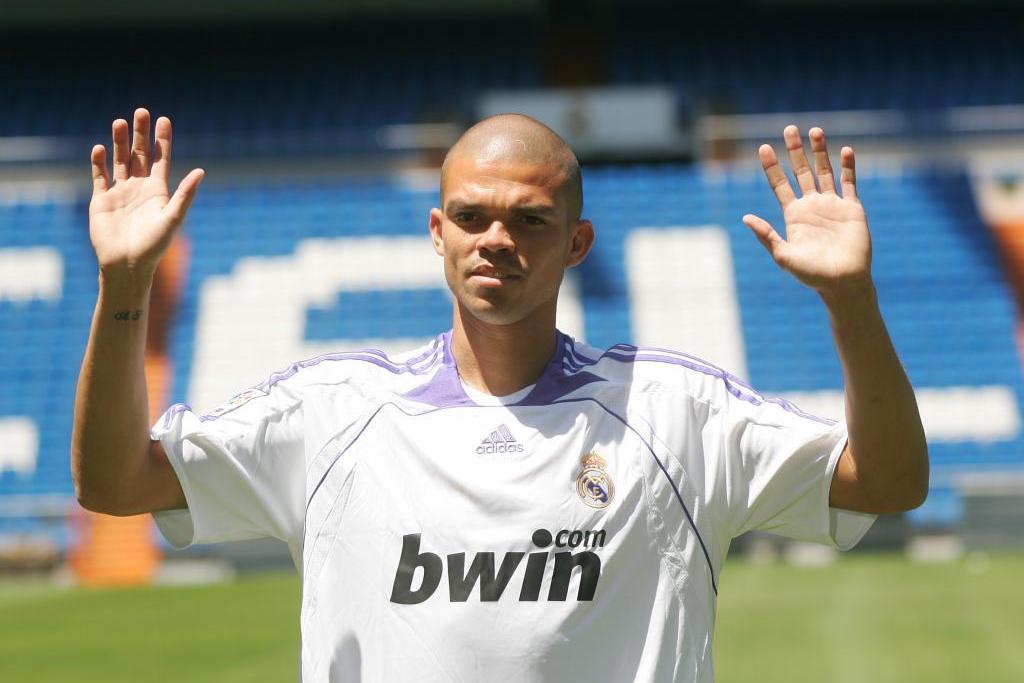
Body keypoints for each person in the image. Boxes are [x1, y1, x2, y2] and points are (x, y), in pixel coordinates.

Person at [72, 108, 929, 682]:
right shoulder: (332, 409)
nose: (496, 238)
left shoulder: (674, 409)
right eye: (472, 215)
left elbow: (888, 483)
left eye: (530, 219)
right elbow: (114, 482)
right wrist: (125, 286)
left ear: (578, 242)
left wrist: (851, 300)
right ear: (437, 232)